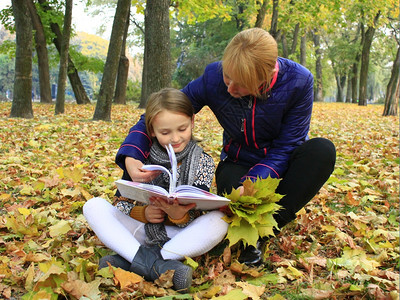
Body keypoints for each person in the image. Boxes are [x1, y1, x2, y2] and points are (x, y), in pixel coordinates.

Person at [116, 28, 336, 266]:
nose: (230, 89)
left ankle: (260, 234)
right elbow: (163, 113)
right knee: (230, 189)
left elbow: (287, 147)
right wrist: (132, 154)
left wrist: (253, 183)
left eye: (241, 85)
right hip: (236, 163)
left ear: (267, 76)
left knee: (322, 151)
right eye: (227, 77)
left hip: (281, 166)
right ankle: (241, 230)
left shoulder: (299, 81)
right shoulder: (213, 77)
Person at [83, 88, 228, 291]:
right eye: (165, 132)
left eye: (182, 129)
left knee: (219, 222)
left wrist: (179, 215)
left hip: (179, 236)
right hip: (140, 231)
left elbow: (200, 209)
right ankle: (159, 266)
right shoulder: (140, 159)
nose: (176, 138)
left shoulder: (203, 161)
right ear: (151, 130)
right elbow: (120, 203)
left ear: (192, 122)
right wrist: (143, 213)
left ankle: (132, 260)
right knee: (93, 206)